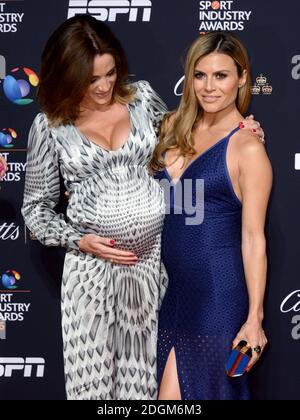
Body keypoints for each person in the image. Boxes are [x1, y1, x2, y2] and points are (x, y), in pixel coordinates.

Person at [22, 15, 264, 400]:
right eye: (90, 79)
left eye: (110, 73)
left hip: (150, 271)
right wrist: (79, 239)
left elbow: (189, 131)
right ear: (68, 75)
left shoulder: (142, 99)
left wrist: (240, 130)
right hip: (91, 276)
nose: (103, 87)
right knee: (93, 392)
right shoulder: (48, 127)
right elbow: (35, 210)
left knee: (144, 392)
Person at [151, 31, 272, 400]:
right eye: (199, 75)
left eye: (221, 76)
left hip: (217, 302)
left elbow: (253, 239)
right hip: (173, 299)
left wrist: (255, 319)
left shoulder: (247, 146)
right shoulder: (173, 127)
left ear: (242, 78)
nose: (208, 87)